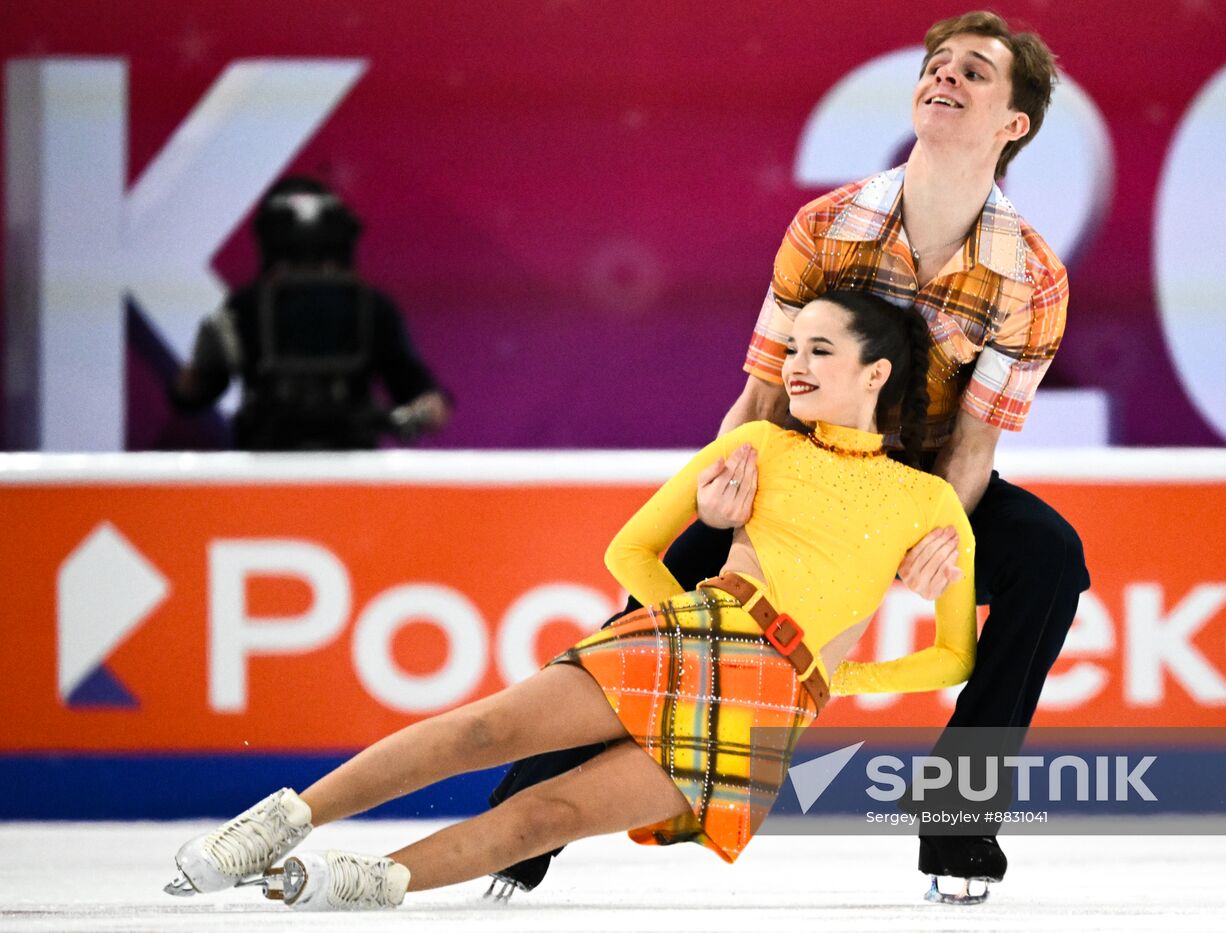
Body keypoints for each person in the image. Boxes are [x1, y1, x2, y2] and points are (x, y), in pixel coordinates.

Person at [489, 10, 1088, 906]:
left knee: (1048, 559)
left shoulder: (1031, 277)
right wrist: (725, 499)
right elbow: (765, 397)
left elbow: (973, 441)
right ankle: (521, 818)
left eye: (974, 72)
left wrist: (906, 546)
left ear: (1014, 126)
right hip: (791, 474)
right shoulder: (829, 223)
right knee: (657, 606)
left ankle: (959, 819)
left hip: (919, 485)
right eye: (937, 64)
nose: (945, 77)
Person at [162, 290, 977, 911]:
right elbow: (630, 550)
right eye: (791, 346)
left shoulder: (930, 503)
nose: (793, 363)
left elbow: (954, 656)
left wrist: (824, 680)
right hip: (689, 638)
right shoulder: (759, 443)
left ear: (876, 372)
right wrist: (703, 626)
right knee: (488, 728)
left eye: (819, 349)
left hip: (764, 710)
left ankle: (368, 879)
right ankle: (283, 819)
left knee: (542, 818)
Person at [169, 177, 450, 450]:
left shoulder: (243, 307)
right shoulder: (372, 305)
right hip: (334, 473)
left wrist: (205, 360)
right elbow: (431, 407)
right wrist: (406, 417)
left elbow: (191, 393)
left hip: (266, 475)